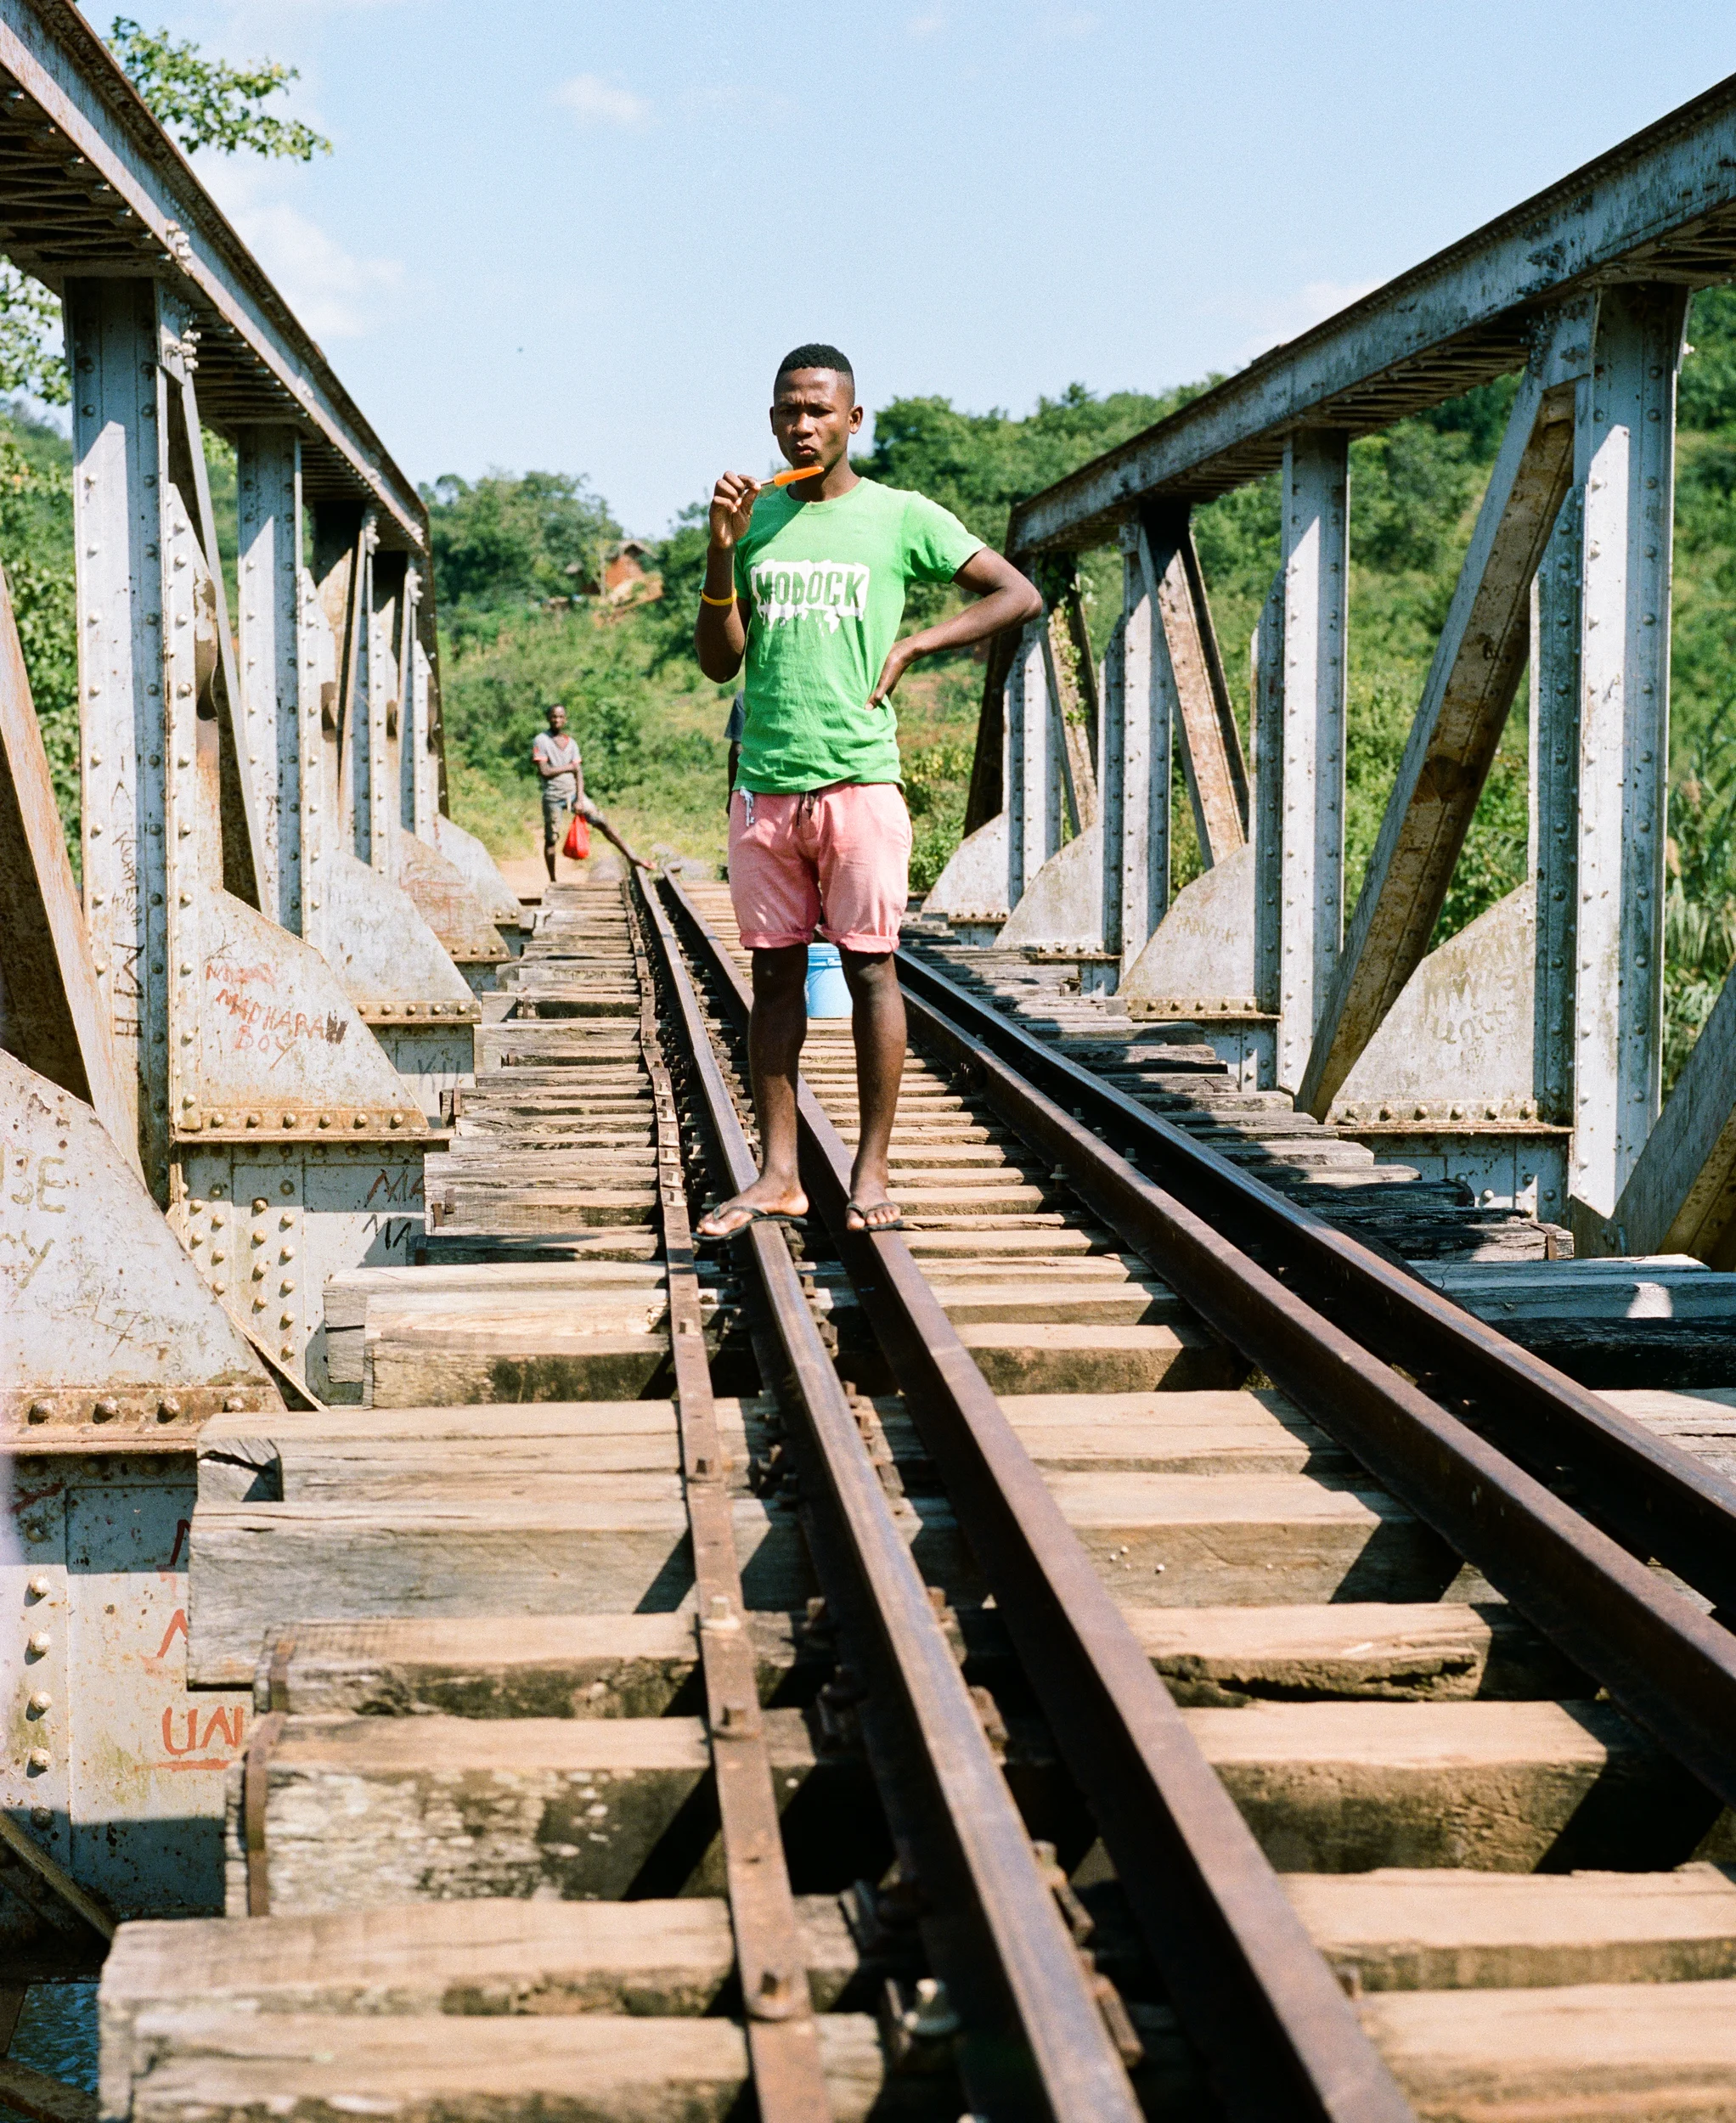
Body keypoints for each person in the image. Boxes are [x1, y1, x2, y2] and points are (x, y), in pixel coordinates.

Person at [693, 342, 1040, 1237]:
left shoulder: (899, 517)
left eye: (817, 409)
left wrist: (920, 644)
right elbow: (717, 661)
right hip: (766, 785)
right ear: (772, 419)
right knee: (772, 979)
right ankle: (779, 1175)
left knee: (871, 969)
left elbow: (1017, 594)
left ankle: (870, 1172)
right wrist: (720, 554)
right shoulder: (754, 522)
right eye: (786, 410)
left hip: (859, 780)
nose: (800, 425)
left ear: (853, 420)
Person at [531, 701, 651, 879]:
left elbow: (579, 773)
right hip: (553, 796)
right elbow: (545, 771)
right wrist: (569, 767)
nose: (557, 720)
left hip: (573, 793)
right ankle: (553, 879)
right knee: (551, 839)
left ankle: (633, 857)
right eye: (554, 716)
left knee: (602, 822)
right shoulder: (541, 740)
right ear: (548, 718)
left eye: (561, 717)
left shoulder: (571, 743)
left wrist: (579, 799)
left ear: (565, 719)